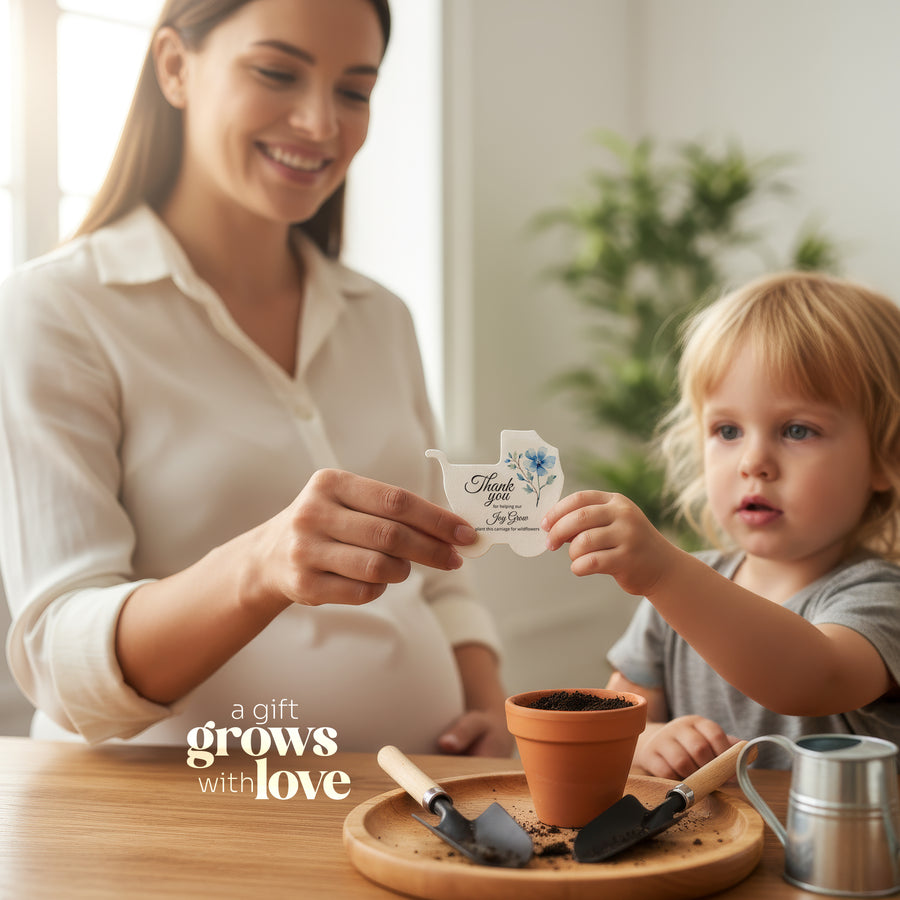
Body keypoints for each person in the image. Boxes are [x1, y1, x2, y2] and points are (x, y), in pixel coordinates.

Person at [0, 0, 511, 756]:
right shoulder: (55, 308)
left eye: (354, 90)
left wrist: (491, 710)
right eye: (276, 73)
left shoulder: (382, 317)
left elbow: (440, 577)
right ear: (175, 66)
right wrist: (260, 566)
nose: (321, 124)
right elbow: (61, 664)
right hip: (189, 808)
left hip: (411, 799)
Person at [543, 271, 900, 775]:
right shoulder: (671, 599)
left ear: (886, 455)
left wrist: (666, 574)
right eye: (728, 430)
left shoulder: (880, 598)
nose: (754, 462)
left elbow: (812, 679)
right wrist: (651, 741)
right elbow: (616, 724)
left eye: (798, 430)